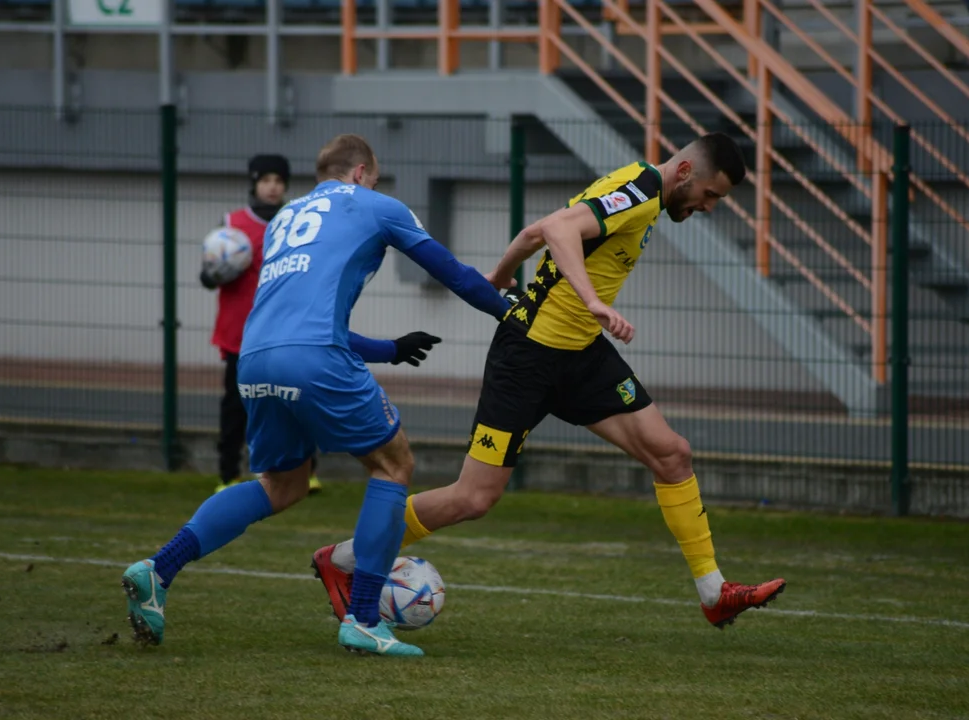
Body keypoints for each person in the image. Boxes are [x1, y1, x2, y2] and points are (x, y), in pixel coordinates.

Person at [314, 133, 787, 633]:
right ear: (687, 171)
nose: (709, 207)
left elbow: (537, 231)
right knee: (474, 498)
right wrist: (594, 301)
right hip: (529, 356)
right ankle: (343, 558)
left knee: (672, 454)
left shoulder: (641, 191)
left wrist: (499, 274)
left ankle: (715, 594)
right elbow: (560, 228)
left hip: (581, 353)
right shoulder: (642, 189)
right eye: (711, 195)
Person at [121, 133, 511, 657]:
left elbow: (295, 318)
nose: (373, 185)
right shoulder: (376, 205)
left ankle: (158, 569)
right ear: (360, 173)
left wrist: (389, 349)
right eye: (373, 177)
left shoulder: (284, 219)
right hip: (313, 356)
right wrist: (510, 312)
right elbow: (455, 273)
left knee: (282, 484)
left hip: (255, 356)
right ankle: (366, 619)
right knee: (393, 465)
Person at [201, 154, 322, 495]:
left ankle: (304, 470)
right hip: (239, 334)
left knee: (295, 403)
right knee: (237, 407)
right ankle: (227, 475)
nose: (273, 187)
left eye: (279, 181)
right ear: (254, 183)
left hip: (285, 333)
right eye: (266, 180)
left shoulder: (298, 221)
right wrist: (217, 269)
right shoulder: (232, 225)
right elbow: (208, 277)